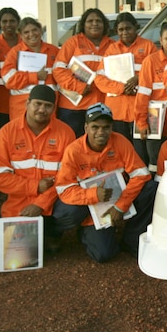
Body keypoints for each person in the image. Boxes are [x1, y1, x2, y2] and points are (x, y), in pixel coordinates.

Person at [52, 103, 156, 262]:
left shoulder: (120, 142)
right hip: (91, 207)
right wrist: (93, 194)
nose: (101, 132)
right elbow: (64, 189)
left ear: (112, 128)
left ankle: (131, 238)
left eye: (106, 127)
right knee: (104, 254)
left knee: (151, 188)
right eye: (95, 127)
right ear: (86, 127)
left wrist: (120, 206)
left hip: (118, 200)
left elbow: (141, 174)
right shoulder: (73, 151)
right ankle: (84, 230)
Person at [0, 85, 76, 253]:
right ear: (27, 103)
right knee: (6, 254)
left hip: (52, 202)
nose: (42, 109)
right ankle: (37, 236)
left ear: (53, 108)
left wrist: (40, 204)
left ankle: (52, 233)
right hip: (19, 205)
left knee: (73, 210)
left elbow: (68, 177)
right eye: (37, 104)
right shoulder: (7, 133)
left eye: (48, 105)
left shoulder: (65, 133)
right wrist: (34, 186)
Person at [95, 12, 156, 154]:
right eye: (121, 30)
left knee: (140, 150)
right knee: (119, 150)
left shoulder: (148, 47)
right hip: (117, 110)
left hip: (139, 109)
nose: (125, 32)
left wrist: (139, 78)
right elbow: (100, 79)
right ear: (116, 30)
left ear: (136, 28)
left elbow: (156, 72)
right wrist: (122, 88)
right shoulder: (112, 50)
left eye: (128, 28)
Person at [53, 8, 112, 137]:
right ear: (83, 25)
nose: (94, 24)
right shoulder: (72, 43)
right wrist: (79, 87)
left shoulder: (113, 45)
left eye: (98, 21)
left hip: (102, 106)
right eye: (90, 21)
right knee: (71, 144)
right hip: (73, 108)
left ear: (105, 24)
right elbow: (58, 70)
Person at [135, 21, 167, 173]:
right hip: (155, 119)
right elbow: (142, 94)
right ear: (160, 40)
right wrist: (141, 122)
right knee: (154, 162)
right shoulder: (150, 61)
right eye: (166, 39)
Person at [2, 17, 60, 120]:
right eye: (26, 32)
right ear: (20, 35)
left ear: (40, 30)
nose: (31, 34)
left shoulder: (54, 51)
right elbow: (9, 80)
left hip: (49, 106)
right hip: (22, 107)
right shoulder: (15, 53)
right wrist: (35, 76)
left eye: (34, 30)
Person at [0, 7, 23, 133]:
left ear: (17, 22)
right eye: (4, 21)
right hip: (0, 102)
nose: (8, 24)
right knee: (2, 135)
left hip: (22, 100)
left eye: (12, 21)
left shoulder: (26, 42)